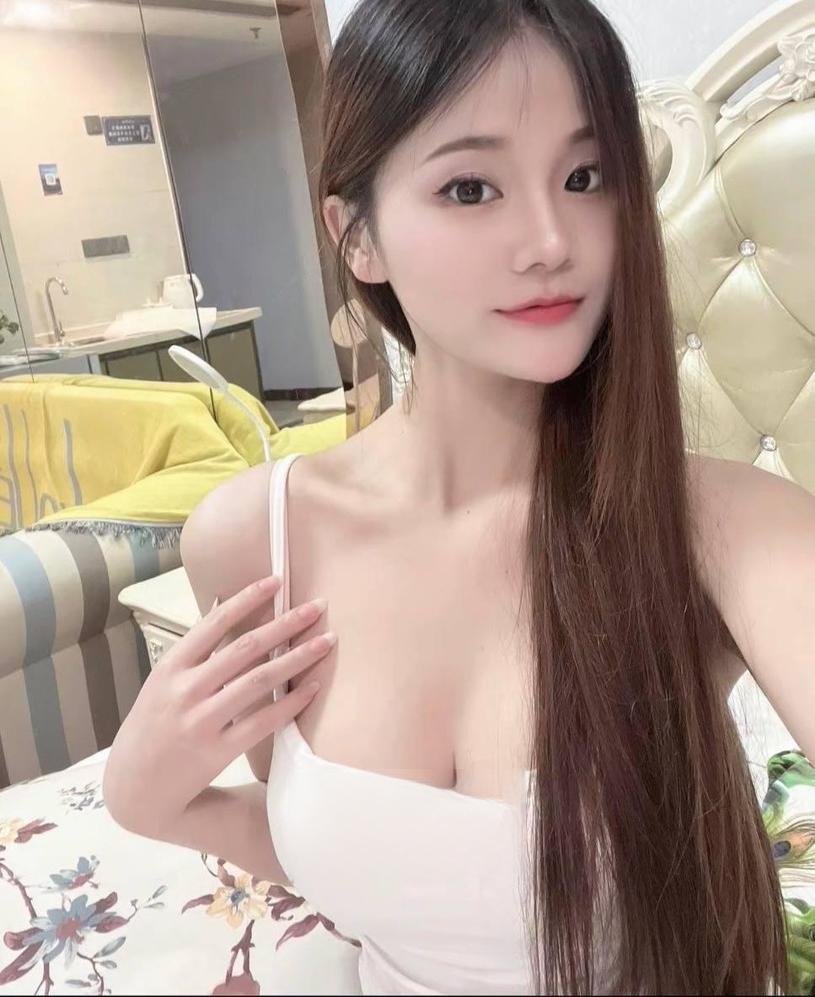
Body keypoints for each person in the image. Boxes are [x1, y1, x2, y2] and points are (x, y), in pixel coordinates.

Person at [103, 0, 815, 993]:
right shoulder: (252, 536)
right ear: (356, 236)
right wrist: (146, 800)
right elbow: (365, 860)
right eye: (470, 187)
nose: (550, 239)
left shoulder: (730, 530)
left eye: (584, 176)